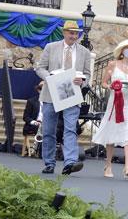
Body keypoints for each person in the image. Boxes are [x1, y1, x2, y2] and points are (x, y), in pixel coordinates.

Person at [35, 20, 91, 175]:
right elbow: (40, 68)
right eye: (71, 32)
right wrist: (50, 77)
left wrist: (83, 81)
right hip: (51, 93)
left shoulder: (84, 52)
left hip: (71, 93)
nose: (74, 36)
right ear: (64, 32)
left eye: (76, 33)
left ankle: (70, 163)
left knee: (70, 128)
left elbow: (88, 75)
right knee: (48, 130)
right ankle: (49, 163)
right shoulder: (50, 47)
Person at [93, 39, 128, 178]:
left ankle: (127, 166)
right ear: (122, 51)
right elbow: (103, 82)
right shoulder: (112, 64)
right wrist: (110, 86)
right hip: (116, 102)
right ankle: (108, 164)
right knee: (112, 131)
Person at [22, 82, 43, 157]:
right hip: (34, 125)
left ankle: (43, 151)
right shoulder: (31, 101)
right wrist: (34, 122)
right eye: (42, 89)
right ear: (38, 90)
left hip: (46, 125)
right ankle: (38, 150)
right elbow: (25, 117)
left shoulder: (51, 103)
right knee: (40, 127)